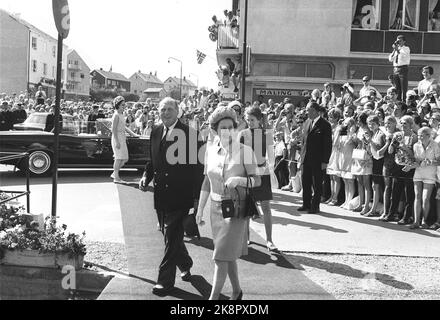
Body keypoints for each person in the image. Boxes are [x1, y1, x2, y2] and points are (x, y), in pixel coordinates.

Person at [139, 97, 204, 297]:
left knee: (171, 236)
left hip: (181, 196)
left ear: (178, 112)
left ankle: (164, 282)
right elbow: (153, 160)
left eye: (169, 109)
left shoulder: (191, 135)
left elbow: (197, 170)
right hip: (161, 195)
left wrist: (196, 199)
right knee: (171, 237)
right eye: (162, 109)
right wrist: (146, 176)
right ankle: (185, 262)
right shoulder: (156, 131)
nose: (165, 113)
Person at [195, 105, 261, 300]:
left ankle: (213, 299)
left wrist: (240, 181)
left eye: (230, 127)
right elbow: (206, 180)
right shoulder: (211, 151)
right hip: (215, 209)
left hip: (236, 209)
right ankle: (237, 291)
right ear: (215, 130)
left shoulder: (245, 151)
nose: (227, 131)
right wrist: (199, 209)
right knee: (227, 256)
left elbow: (257, 181)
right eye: (222, 127)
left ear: (235, 128)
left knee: (219, 257)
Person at [239, 106, 278, 252]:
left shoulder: (266, 134)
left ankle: (269, 240)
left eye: (252, 120)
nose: (249, 122)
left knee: (266, 207)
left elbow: (271, 155)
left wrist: (268, 169)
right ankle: (246, 238)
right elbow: (238, 155)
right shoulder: (242, 133)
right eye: (247, 120)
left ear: (259, 119)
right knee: (247, 207)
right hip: (247, 174)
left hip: (263, 173)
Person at [298, 102, 332, 214]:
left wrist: (325, 161)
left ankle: (315, 206)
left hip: (318, 160)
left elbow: (327, 145)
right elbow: (303, 142)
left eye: (308, 110)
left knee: (317, 184)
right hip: (305, 158)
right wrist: (301, 158)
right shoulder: (307, 122)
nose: (306, 112)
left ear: (315, 111)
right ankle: (306, 204)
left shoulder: (325, 124)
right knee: (305, 182)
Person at [406, 127, 440, 229]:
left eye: (422, 135)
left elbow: (439, 161)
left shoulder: (435, 145)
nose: (420, 137)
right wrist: (410, 166)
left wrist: (430, 162)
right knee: (417, 196)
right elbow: (417, 161)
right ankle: (416, 221)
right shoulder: (416, 145)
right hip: (418, 173)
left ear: (429, 136)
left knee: (425, 198)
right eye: (419, 135)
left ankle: (424, 221)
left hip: (430, 174)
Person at [110, 96, 138, 183]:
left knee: (125, 158)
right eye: (122, 105)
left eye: (124, 105)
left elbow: (124, 126)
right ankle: (116, 177)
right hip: (117, 137)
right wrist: (117, 141)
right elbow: (113, 129)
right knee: (118, 158)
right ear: (118, 105)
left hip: (122, 137)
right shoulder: (116, 115)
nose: (124, 106)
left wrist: (133, 134)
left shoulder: (122, 114)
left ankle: (115, 173)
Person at [388, 35, 411, 102]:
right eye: (397, 40)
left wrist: (397, 49)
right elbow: (390, 59)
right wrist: (394, 50)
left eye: (400, 41)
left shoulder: (406, 48)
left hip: (403, 68)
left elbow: (403, 55)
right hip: (395, 69)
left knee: (403, 87)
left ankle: (404, 101)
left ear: (404, 41)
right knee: (397, 87)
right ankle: (398, 101)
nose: (398, 42)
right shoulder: (396, 49)